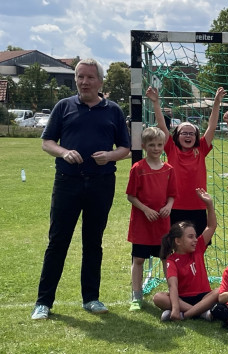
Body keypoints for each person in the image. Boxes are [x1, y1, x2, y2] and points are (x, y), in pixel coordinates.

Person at [32, 58, 131, 320]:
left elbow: (126, 148)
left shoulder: (113, 111)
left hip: (101, 183)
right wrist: (63, 153)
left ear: (100, 81)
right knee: (58, 241)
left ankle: (91, 298)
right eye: (79, 77)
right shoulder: (63, 106)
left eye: (89, 77)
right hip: (67, 182)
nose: (84, 82)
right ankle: (43, 302)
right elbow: (47, 142)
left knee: (93, 241)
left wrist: (109, 157)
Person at [146, 85, 225, 236]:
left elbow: (212, 126)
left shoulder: (201, 149)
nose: (188, 136)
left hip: (198, 206)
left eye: (192, 133)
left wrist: (216, 103)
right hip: (174, 206)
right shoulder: (171, 148)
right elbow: (162, 126)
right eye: (184, 133)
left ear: (196, 137)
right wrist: (156, 103)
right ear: (177, 135)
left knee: (197, 246)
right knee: (175, 245)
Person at [126, 127, 178, 311]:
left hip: (162, 224)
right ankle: (136, 296)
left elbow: (172, 195)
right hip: (142, 224)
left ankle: (173, 294)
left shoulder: (169, 169)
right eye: (152, 145)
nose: (156, 148)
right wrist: (146, 209)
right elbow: (131, 196)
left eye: (159, 145)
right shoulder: (138, 168)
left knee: (166, 258)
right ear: (143, 146)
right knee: (138, 259)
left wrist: (168, 206)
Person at [152, 189, 220, 321]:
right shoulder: (171, 260)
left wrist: (209, 204)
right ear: (178, 241)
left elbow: (211, 226)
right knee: (158, 297)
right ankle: (200, 313)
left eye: (195, 236)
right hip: (182, 299)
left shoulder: (199, 247)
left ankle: (187, 314)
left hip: (203, 297)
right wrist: (176, 308)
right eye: (190, 237)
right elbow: (173, 286)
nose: (195, 239)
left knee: (219, 291)